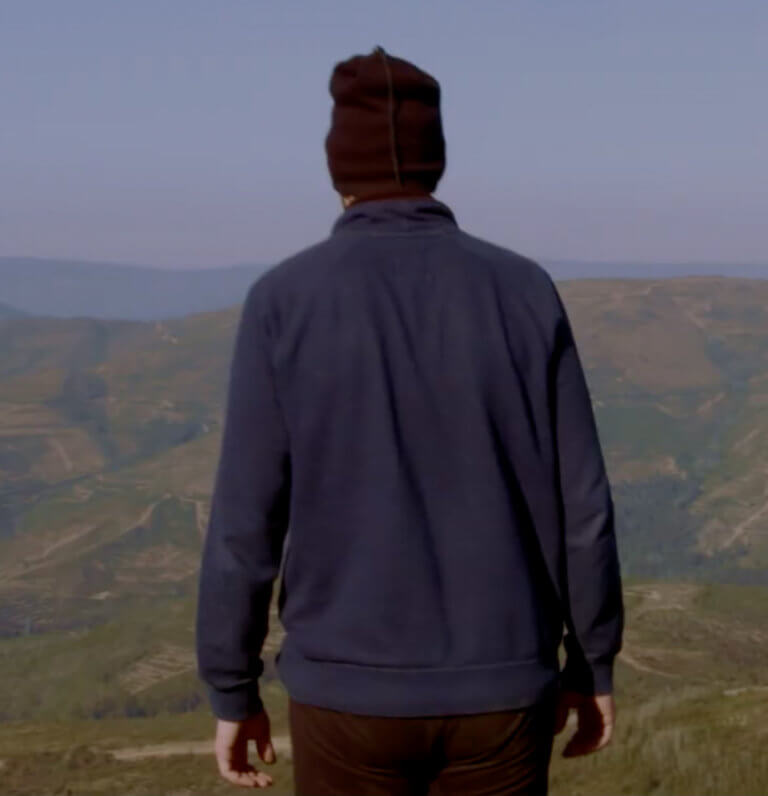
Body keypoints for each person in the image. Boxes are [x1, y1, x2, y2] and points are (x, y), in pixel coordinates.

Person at [195, 45, 624, 795]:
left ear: (337, 169)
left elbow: (245, 523)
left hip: (344, 697)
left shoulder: (283, 301)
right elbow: (582, 510)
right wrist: (591, 664)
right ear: (437, 160)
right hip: (504, 690)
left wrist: (232, 689)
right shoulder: (525, 291)